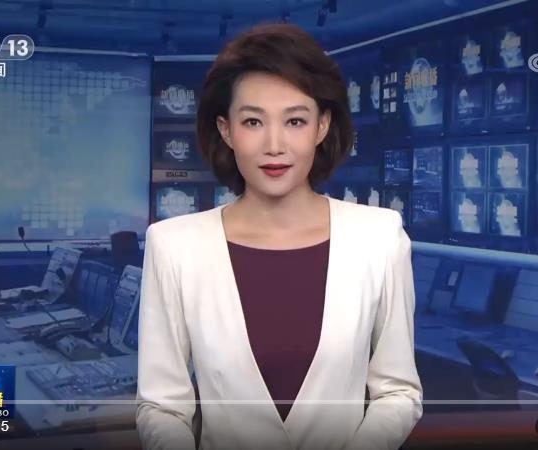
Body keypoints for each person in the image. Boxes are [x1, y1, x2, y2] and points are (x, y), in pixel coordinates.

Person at [136, 23, 423, 450]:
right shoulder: (174, 246)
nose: (274, 144)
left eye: (295, 121)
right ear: (226, 130)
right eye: (253, 121)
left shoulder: (379, 237)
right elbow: (162, 407)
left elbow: (398, 392)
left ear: (321, 126)